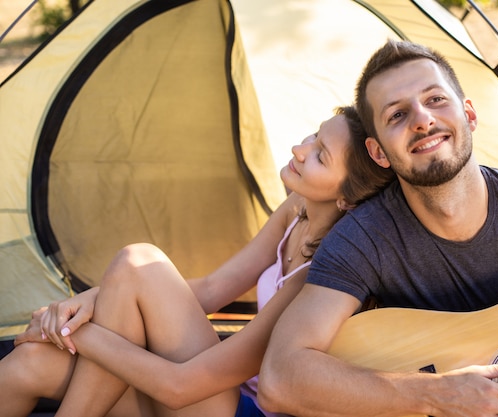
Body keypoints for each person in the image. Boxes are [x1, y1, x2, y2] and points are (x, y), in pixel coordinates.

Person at [257, 40, 498, 417]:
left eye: (435, 100)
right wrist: (434, 394)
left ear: (469, 115)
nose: (422, 119)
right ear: (378, 152)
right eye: (397, 115)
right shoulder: (363, 239)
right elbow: (279, 378)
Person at [0, 105, 394, 417]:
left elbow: (179, 387)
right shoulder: (297, 210)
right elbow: (210, 289)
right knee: (30, 362)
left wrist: (74, 332)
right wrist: (82, 305)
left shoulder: (324, 274)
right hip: (207, 395)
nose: (300, 149)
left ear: (347, 198)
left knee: (139, 259)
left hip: (231, 407)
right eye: (314, 135)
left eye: (320, 156)